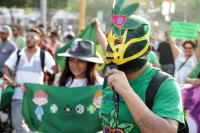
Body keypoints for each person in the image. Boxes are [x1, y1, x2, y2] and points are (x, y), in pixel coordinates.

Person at [100, 1, 185, 133]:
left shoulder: (165, 85)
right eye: (109, 41)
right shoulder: (109, 80)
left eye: (118, 41)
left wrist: (127, 91)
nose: (110, 48)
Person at [2, 28, 58, 133]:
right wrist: (11, 81)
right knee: (17, 124)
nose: (28, 39)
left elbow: (55, 70)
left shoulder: (44, 55)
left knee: (36, 124)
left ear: (39, 40)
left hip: (38, 98)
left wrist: (59, 59)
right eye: (27, 36)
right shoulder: (18, 53)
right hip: (18, 96)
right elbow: (5, 68)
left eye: (32, 37)